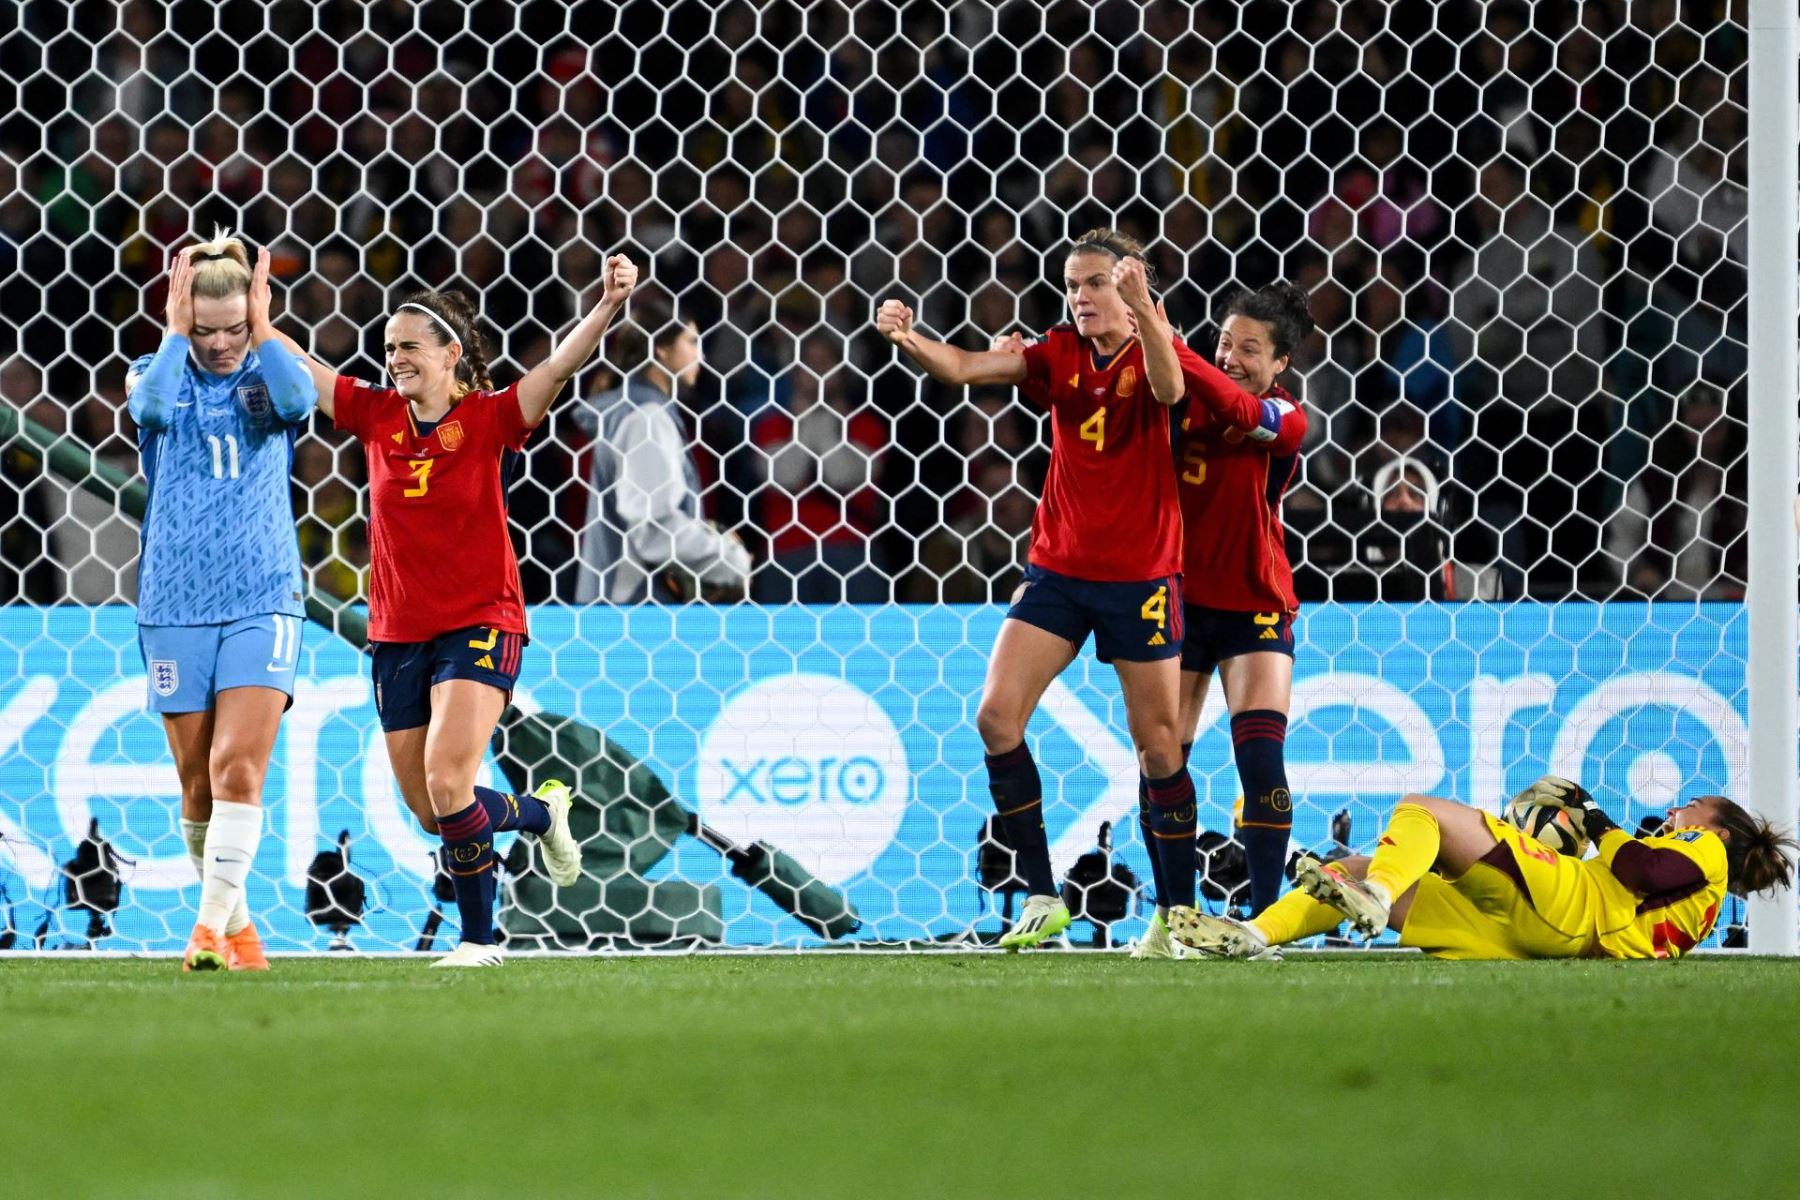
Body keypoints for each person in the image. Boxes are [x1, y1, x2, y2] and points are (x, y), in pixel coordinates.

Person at [287, 257, 639, 965]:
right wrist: (259, 315)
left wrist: (605, 305)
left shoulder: (489, 419)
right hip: (395, 633)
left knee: (451, 781)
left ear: (451, 354)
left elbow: (559, 368)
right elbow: (303, 365)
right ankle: (542, 813)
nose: (395, 358)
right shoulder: (374, 414)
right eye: (388, 348)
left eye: (410, 345)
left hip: (481, 618)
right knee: (431, 807)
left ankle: (479, 940)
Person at [877, 228, 1212, 949]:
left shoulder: (1160, 348)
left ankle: (1177, 913)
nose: (1081, 297)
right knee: (997, 717)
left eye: (1095, 283)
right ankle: (1039, 891)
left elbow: (1172, 390)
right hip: (1058, 571)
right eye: (1072, 284)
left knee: (1158, 747)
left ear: (1130, 289)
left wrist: (1145, 311)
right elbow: (968, 367)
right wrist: (911, 339)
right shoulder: (1058, 353)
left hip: (1142, 577)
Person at [126, 228, 319, 972]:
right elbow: (149, 413)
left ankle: (204, 932)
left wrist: (265, 329)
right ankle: (238, 933)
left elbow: (301, 399)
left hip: (262, 595)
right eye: (203, 330)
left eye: (233, 328)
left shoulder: (274, 374)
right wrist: (175, 334)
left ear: (255, 316)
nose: (218, 344)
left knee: (241, 767)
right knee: (198, 781)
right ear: (181, 319)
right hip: (173, 601)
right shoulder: (156, 368)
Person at [1133, 284, 1316, 960]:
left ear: (1281, 365)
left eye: (1250, 348)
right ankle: (1168, 916)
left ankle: (1265, 925)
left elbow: (1242, 408)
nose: (1232, 357)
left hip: (1255, 598)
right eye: (1224, 342)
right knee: (1162, 759)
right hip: (1177, 598)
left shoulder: (1285, 417)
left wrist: (1173, 343)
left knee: (1260, 758)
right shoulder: (1179, 402)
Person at [1171, 777, 1798, 961]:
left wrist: (1591, 815)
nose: (1673, 810)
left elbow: (1642, 872)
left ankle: (1376, 893)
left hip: (1566, 906)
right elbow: (1638, 890)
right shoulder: (1705, 910)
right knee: (1359, 869)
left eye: (1689, 807)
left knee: (1424, 813)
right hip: (1548, 940)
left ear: (1717, 827)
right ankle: (1254, 935)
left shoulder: (1707, 851)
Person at [570, 302, 751, 603]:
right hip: (635, 616)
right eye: (692, 342)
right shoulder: (647, 418)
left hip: (623, 609)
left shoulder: (637, 412)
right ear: (661, 350)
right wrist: (730, 559)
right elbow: (654, 528)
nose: (700, 356)